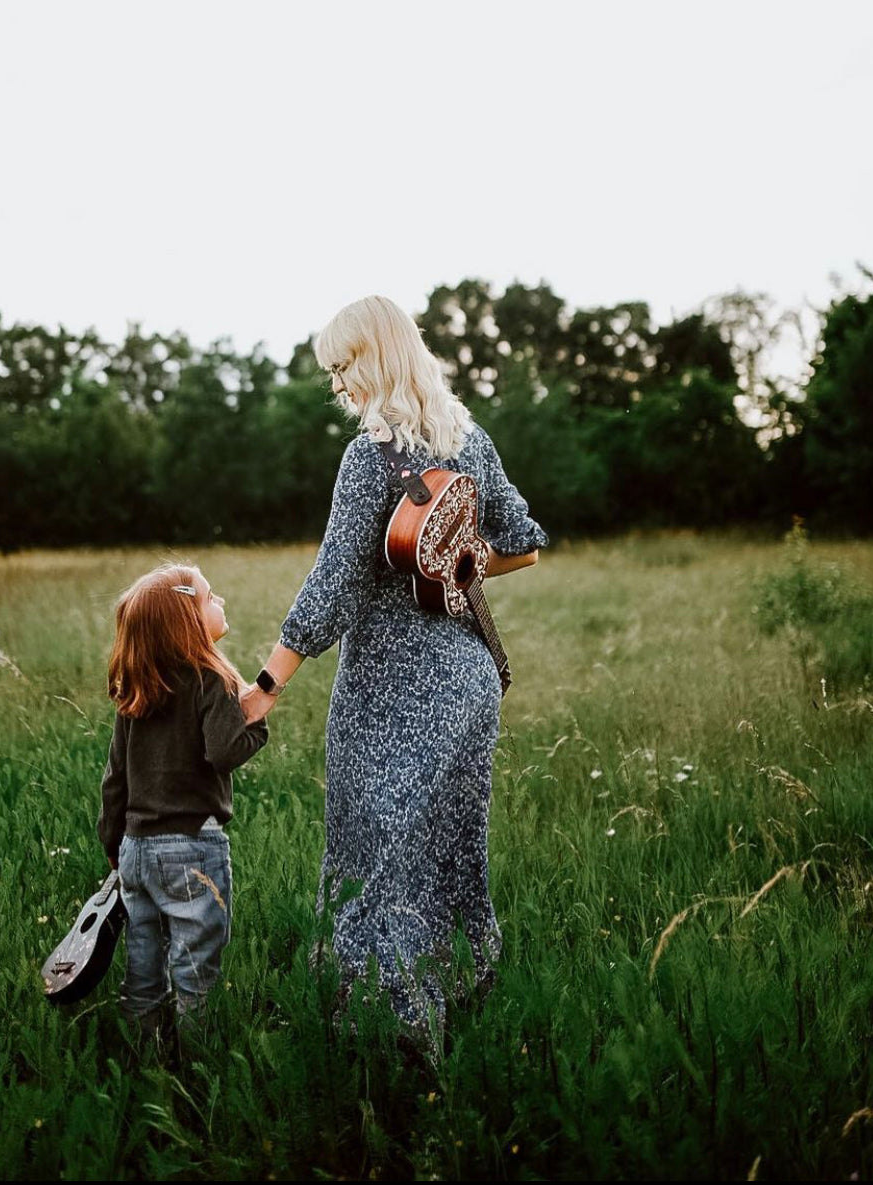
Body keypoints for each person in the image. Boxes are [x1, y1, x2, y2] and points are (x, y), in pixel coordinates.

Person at [241, 295, 547, 1034]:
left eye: (342, 366)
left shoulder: (367, 458)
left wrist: (266, 684)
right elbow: (526, 542)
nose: (336, 384)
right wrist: (461, 565)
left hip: (392, 689)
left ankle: (385, 1029)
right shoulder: (469, 439)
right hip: (471, 682)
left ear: (375, 359)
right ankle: (458, 988)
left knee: (371, 856)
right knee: (447, 849)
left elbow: (336, 583)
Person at [97, 563, 268, 1042]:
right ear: (187, 623)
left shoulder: (137, 688)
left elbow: (116, 778)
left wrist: (112, 842)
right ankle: (197, 1061)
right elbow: (224, 751)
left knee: (143, 965)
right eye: (211, 598)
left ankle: (144, 1056)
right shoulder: (211, 679)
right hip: (192, 849)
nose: (222, 603)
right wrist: (257, 723)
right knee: (195, 968)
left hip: (135, 848)